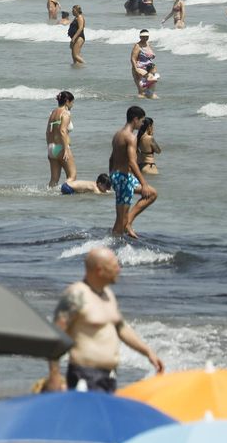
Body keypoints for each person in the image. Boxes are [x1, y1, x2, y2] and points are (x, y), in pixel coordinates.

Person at [45, 247, 164, 392]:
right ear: (99, 270)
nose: (119, 270)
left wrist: (148, 353)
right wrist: (54, 377)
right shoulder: (76, 296)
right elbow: (55, 338)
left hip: (109, 376)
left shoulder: (108, 295)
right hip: (84, 375)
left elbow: (121, 328)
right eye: (114, 266)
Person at [110, 106, 157, 239]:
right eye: (141, 121)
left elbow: (111, 158)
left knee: (153, 194)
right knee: (120, 220)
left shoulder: (118, 134)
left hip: (118, 176)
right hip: (124, 178)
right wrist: (144, 183)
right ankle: (115, 244)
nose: (142, 124)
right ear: (135, 119)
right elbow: (132, 162)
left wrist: (111, 177)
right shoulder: (131, 137)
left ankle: (128, 223)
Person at [47, 91, 77, 189]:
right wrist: (66, 149)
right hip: (61, 148)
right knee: (72, 176)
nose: (72, 105)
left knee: (54, 179)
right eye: (72, 103)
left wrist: (49, 148)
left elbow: (48, 132)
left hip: (51, 148)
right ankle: (66, 193)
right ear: (67, 101)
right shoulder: (66, 114)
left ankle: (49, 194)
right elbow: (63, 131)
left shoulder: (53, 113)